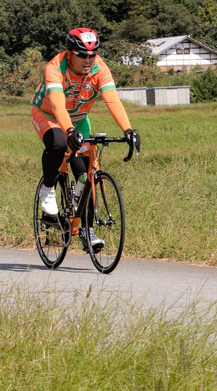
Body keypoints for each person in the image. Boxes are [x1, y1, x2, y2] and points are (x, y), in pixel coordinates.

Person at [30, 27, 141, 252]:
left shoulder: (100, 68)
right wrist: (69, 130)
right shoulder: (55, 67)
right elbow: (57, 103)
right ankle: (48, 189)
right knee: (60, 142)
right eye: (82, 55)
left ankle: (87, 231)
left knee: (87, 173)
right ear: (70, 52)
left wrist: (128, 129)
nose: (88, 60)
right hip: (49, 115)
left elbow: (112, 100)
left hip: (80, 119)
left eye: (92, 54)